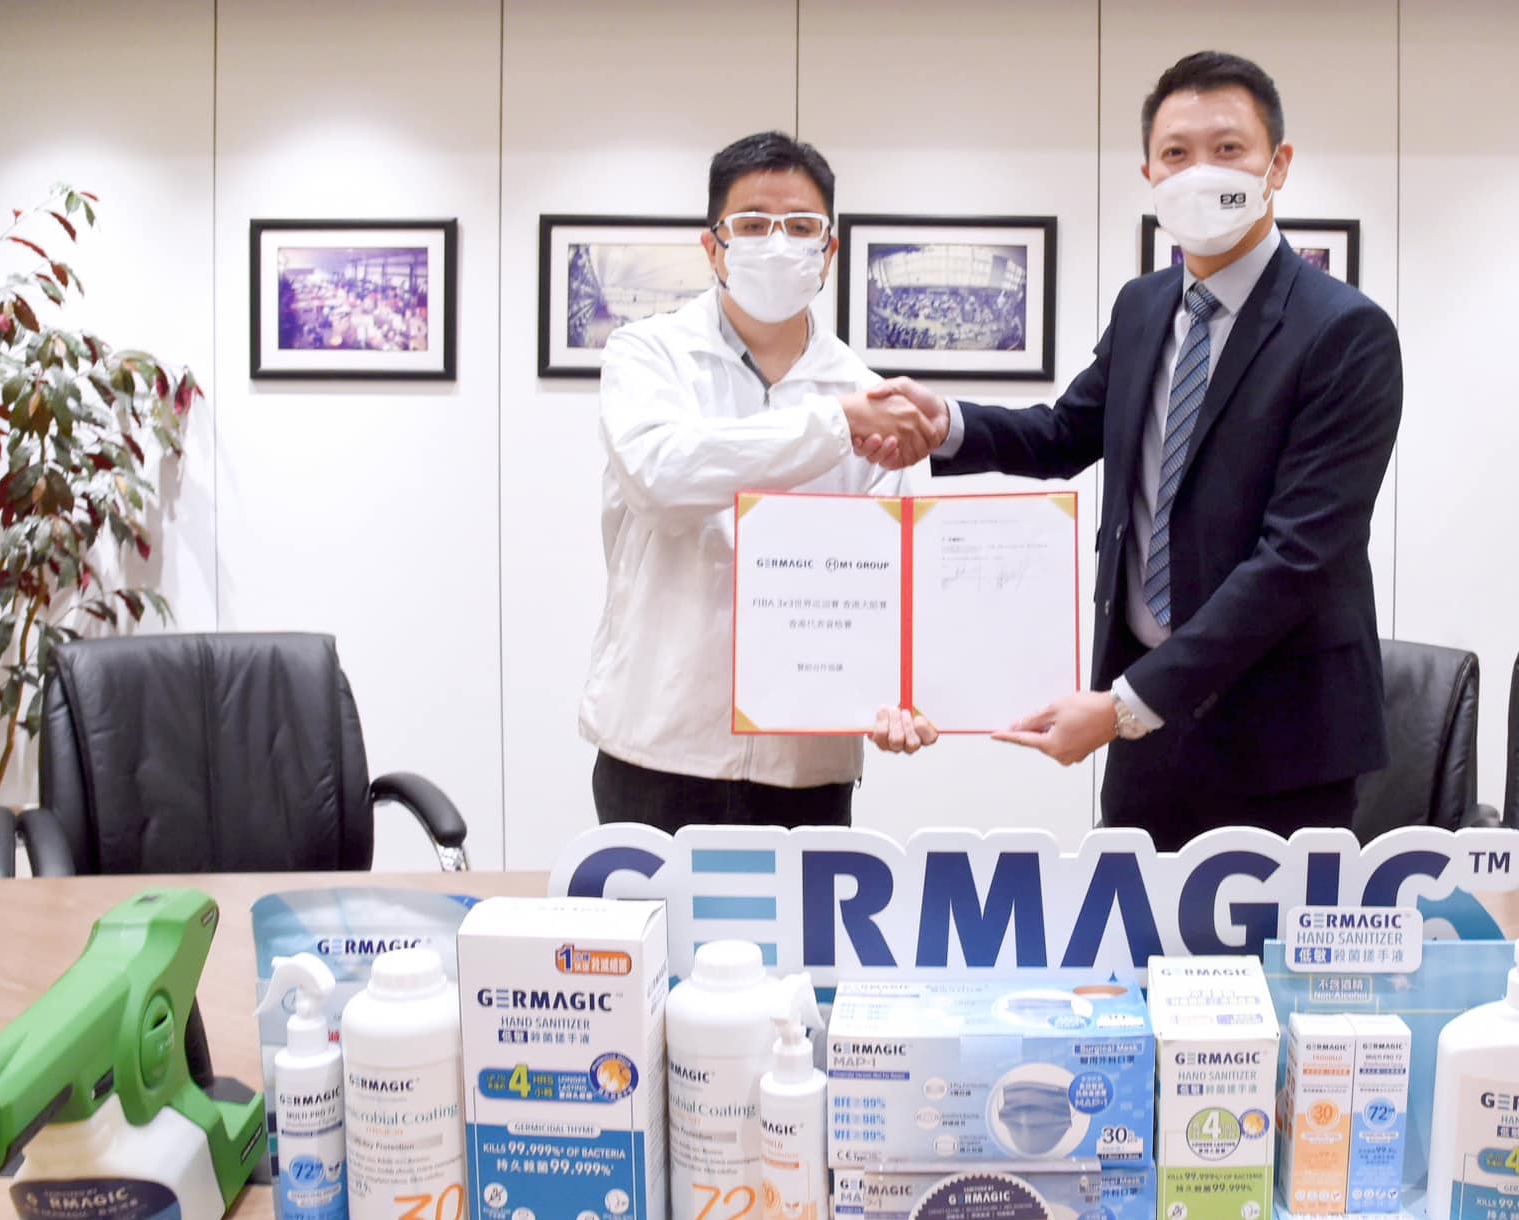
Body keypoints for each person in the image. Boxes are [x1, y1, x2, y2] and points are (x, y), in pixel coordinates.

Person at [858, 52, 1403, 852]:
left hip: (1284, 741)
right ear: (1148, 172)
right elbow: (1064, 432)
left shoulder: (1345, 331)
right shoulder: (1144, 306)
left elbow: (1300, 557)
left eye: (1228, 149)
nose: (1200, 172)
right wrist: (947, 424)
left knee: (1268, 942)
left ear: (1277, 165)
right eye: (1176, 153)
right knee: (1140, 932)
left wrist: (1124, 705)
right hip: (1145, 733)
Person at [581, 130, 941, 832]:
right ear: (713, 246)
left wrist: (900, 693)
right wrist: (833, 425)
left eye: (801, 227)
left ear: (829, 252)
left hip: (805, 763)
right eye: (751, 224)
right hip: (659, 747)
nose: (777, 244)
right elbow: (661, 477)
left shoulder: (870, 395)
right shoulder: (648, 356)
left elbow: (895, 579)